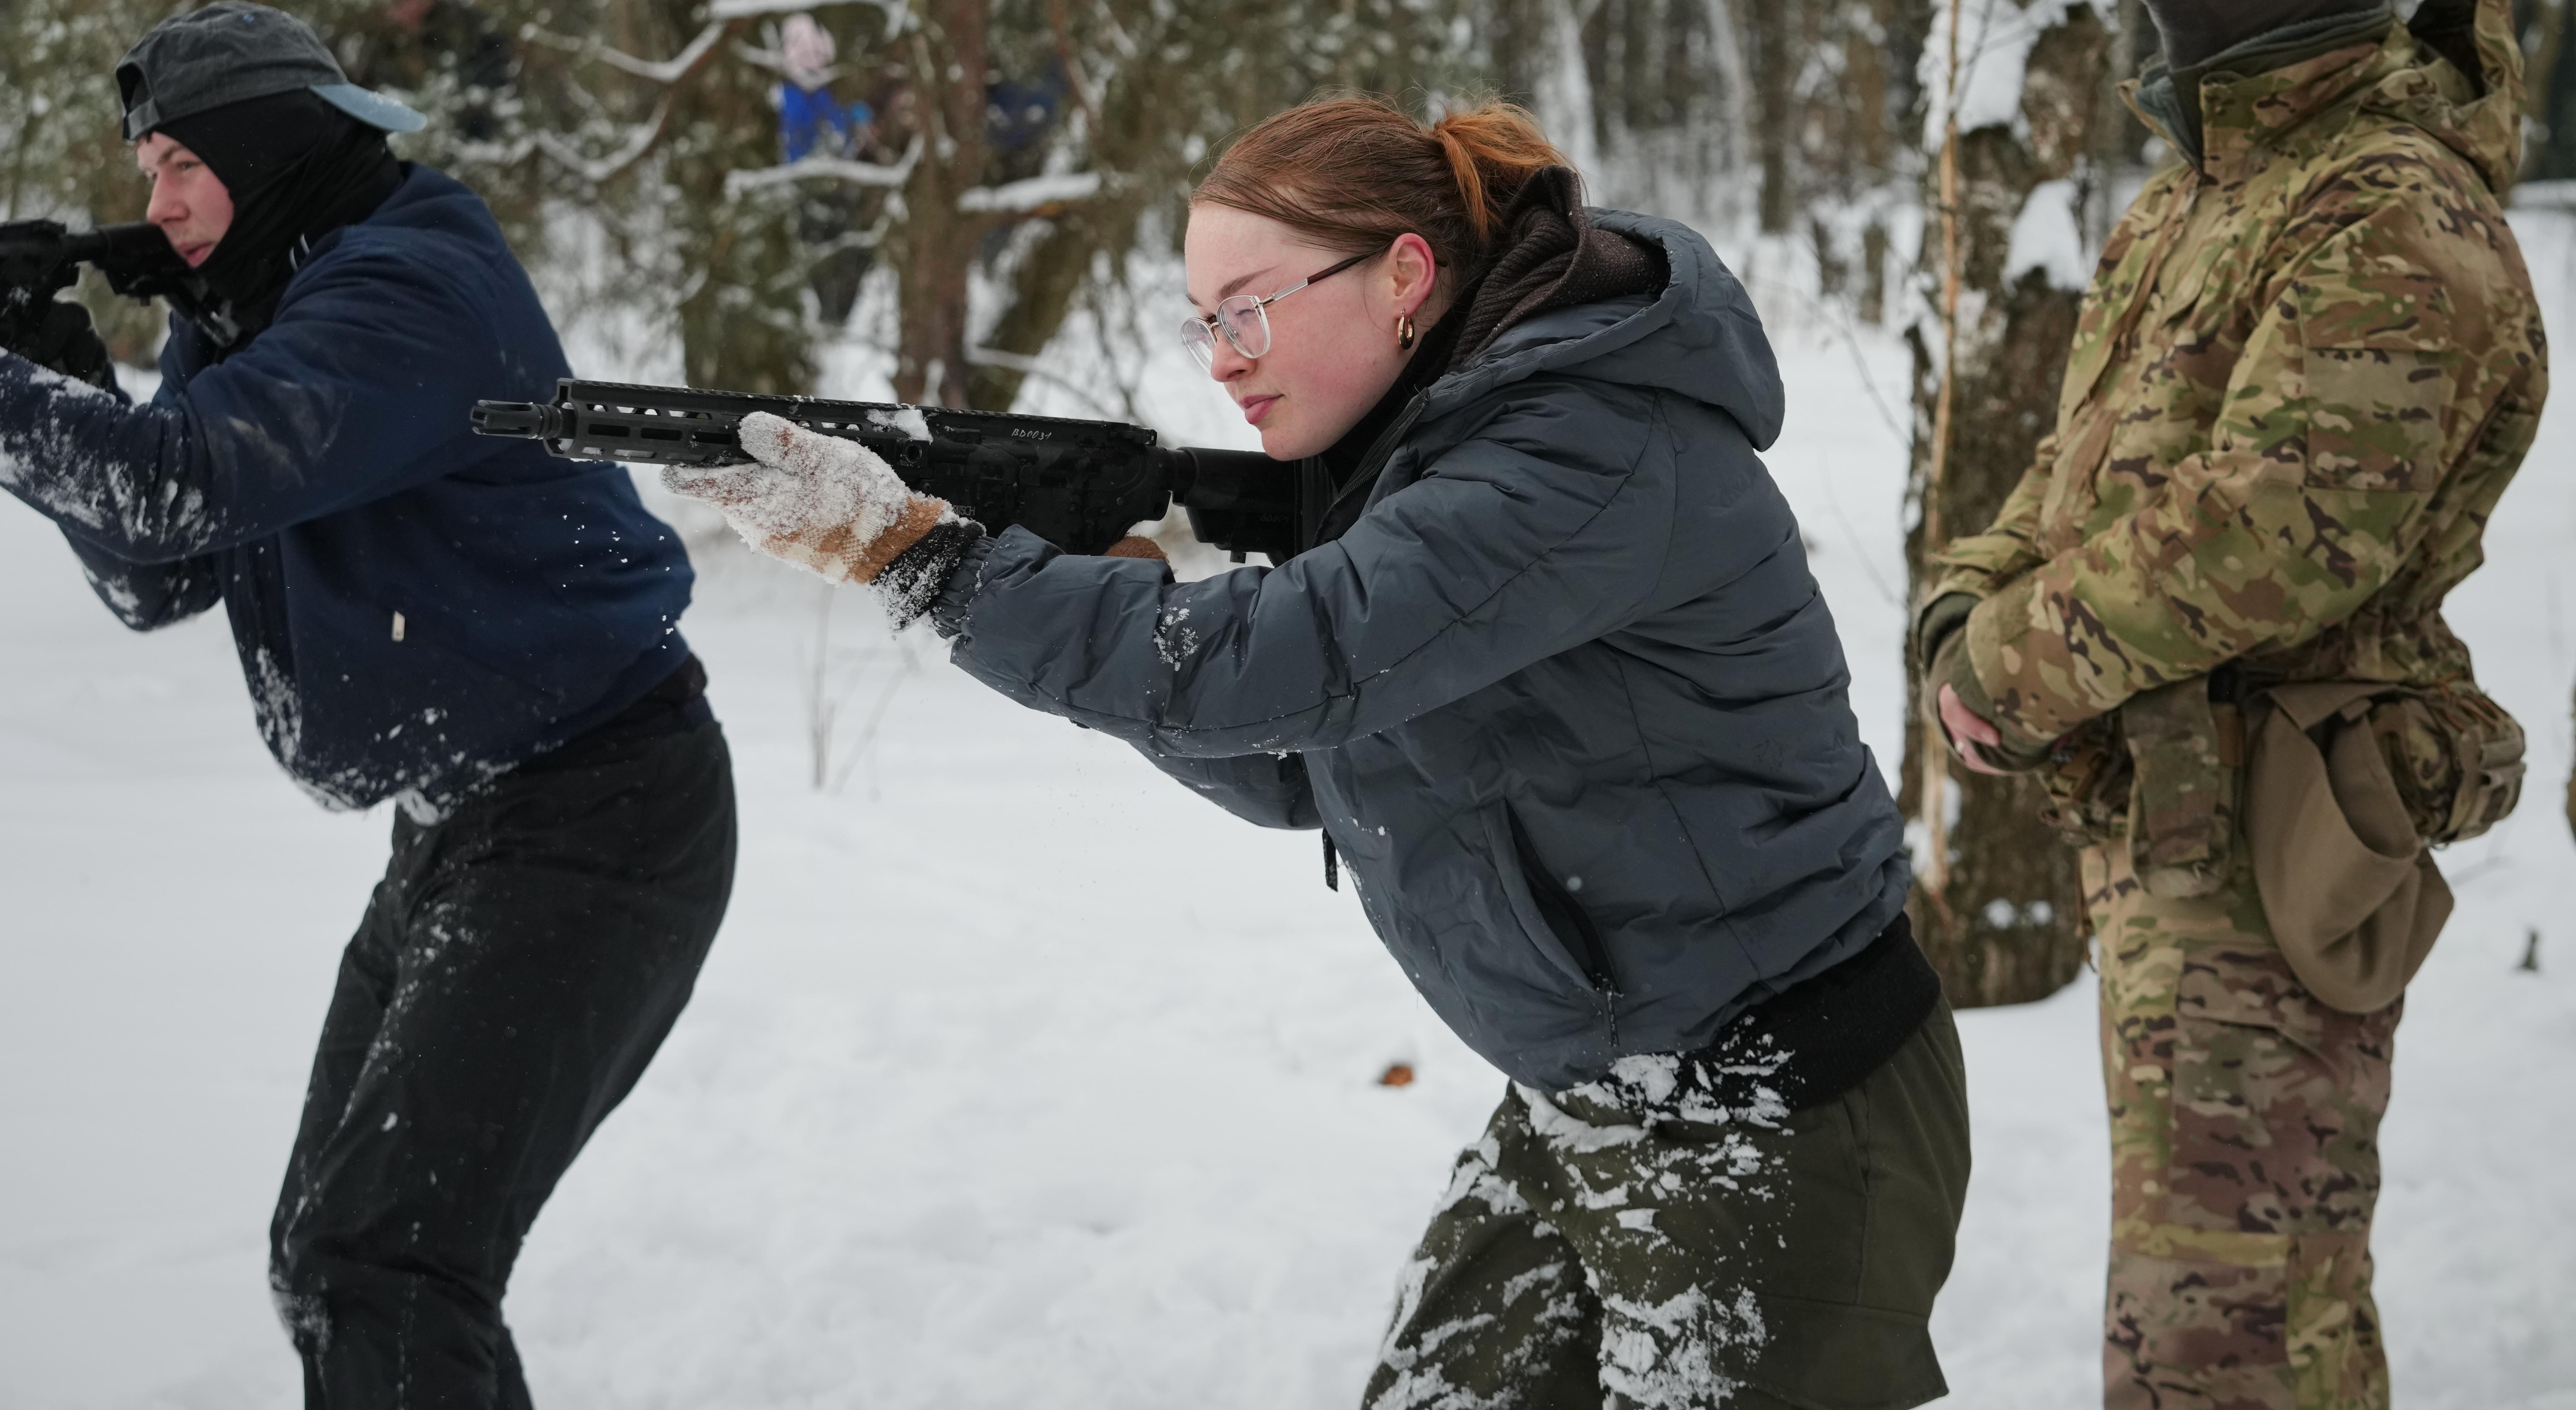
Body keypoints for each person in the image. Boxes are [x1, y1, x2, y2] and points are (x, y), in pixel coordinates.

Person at [670, 96, 1971, 1407]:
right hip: (1586, 1087)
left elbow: (1288, 661)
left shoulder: (1583, 444)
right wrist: (1114, 605)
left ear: (1406, 275)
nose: (1223, 358)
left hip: (1781, 1101)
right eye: (1203, 321)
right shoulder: (1415, 456)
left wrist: (929, 562)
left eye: (1251, 306)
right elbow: (1314, 760)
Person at [0, 1, 737, 1406]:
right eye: (144, 173)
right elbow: (155, 570)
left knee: (389, 1258)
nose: (158, 202)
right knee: (334, 1256)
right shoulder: (253, 296)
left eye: (183, 163)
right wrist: (43, 361)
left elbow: (171, 483)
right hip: (464, 825)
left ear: (265, 148)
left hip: (598, 812)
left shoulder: (406, 286)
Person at [1918, 0, 2544, 1409]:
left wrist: (2010, 663)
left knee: (2238, 1328)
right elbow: (2078, 466)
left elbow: (2274, 532)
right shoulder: (2193, 196)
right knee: (2203, 1305)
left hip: (2282, 819)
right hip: (2164, 810)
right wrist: (1967, 605)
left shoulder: (2388, 210)